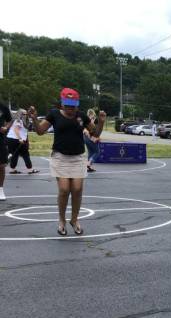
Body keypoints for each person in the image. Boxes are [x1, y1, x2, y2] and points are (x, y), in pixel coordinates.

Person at [28, 88, 105, 236]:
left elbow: (95, 133)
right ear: (62, 103)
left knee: (77, 190)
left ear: (77, 104)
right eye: (67, 105)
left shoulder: (81, 116)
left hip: (78, 158)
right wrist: (34, 118)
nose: (70, 108)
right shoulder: (54, 114)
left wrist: (101, 123)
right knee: (64, 190)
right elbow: (40, 131)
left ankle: (74, 220)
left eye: (73, 105)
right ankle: (62, 220)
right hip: (60, 157)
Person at [6, 109, 38, 174]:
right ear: (20, 114)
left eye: (26, 114)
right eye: (24, 114)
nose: (25, 115)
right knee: (25, 154)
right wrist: (20, 139)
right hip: (16, 139)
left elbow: (23, 131)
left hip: (13, 139)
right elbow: (16, 130)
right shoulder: (19, 120)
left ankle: (12, 169)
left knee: (15, 154)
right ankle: (30, 169)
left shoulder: (22, 121)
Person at [0, 101, 12, 201]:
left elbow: (9, 121)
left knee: (1, 166)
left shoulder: (3, 107)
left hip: (0, 140)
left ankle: (1, 190)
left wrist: (6, 127)